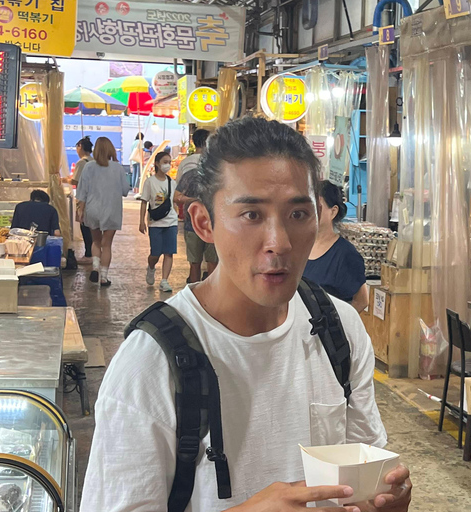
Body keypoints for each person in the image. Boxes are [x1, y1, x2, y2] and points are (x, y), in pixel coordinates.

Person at [81, 117, 412, 512]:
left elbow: (365, 469)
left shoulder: (338, 328)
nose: (280, 243)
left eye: (298, 215)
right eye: (252, 215)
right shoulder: (150, 362)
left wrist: (386, 500)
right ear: (204, 223)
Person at [304, 181, 368, 312]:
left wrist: (336, 325)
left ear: (333, 212)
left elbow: (362, 301)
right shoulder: (298, 247)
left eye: (317, 207)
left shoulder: (345, 254)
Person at [76, 137, 131, 287]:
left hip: (93, 209)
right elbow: (125, 190)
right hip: (111, 210)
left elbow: (82, 191)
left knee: (96, 241)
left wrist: (81, 208)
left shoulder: (89, 167)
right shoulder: (118, 168)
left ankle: (95, 267)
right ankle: (104, 277)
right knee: (107, 245)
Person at [174, 129, 216, 284]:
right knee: (212, 262)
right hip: (213, 222)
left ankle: (194, 294)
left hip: (191, 220)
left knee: (194, 262)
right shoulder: (216, 167)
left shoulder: (186, 165)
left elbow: (177, 194)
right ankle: (211, 294)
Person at [139, 151, 178, 293]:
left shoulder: (172, 182)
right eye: (165, 162)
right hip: (155, 223)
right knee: (155, 253)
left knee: (169, 252)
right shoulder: (150, 182)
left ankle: (164, 280)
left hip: (171, 222)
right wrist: (142, 221)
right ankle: (151, 267)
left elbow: (174, 200)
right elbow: (144, 202)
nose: (168, 165)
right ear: (157, 163)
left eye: (169, 162)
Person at [72, 137, 94, 263]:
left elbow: (75, 181)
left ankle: (88, 254)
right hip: (94, 198)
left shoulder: (82, 163)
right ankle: (94, 253)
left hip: (83, 199)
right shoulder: (94, 161)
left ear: (80, 146)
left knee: (84, 226)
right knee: (93, 228)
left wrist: (63, 180)